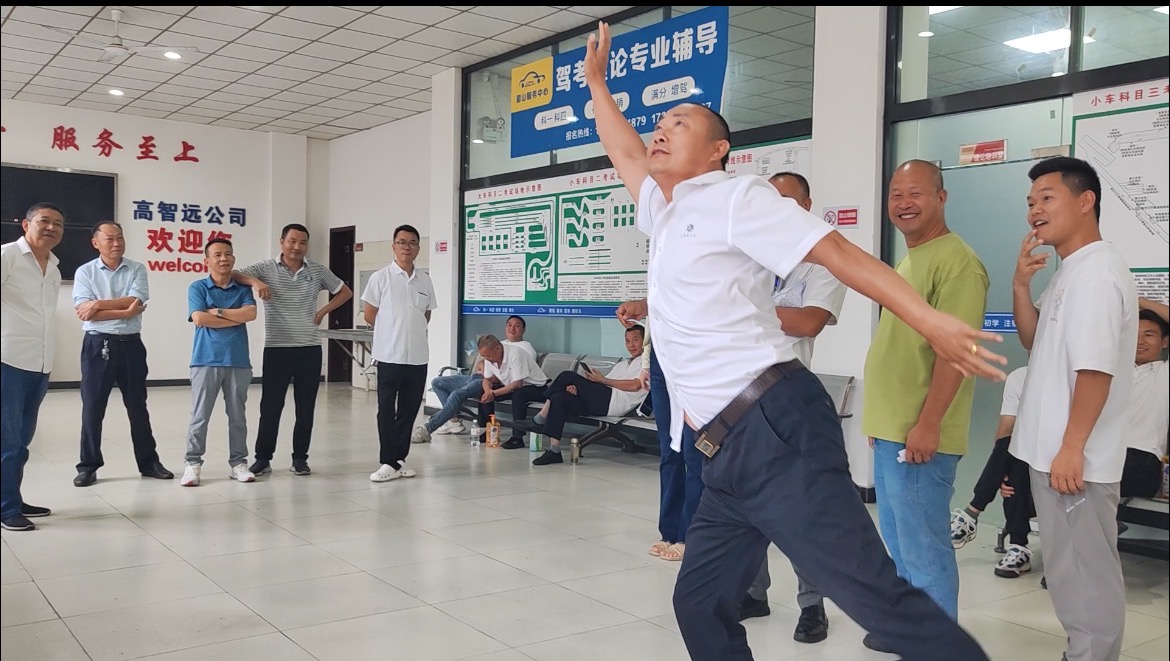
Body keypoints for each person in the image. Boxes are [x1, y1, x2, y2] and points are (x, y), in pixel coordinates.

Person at [583, 21, 1002, 661]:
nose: (659, 131)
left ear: (718, 151)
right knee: (700, 603)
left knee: (877, 600)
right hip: (723, 449)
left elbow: (836, 252)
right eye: (659, 123)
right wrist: (596, 84)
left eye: (679, 123)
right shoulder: (665, 209)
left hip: (773, 429)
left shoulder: (736, 198)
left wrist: (928, 318)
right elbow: (624, 150)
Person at [1009, 156, 1137, 661]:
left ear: (1086, 201)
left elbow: (1095, 370)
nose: (1034, 211)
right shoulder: (1073, 270)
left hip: (1074, 460)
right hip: (1055, 455)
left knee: (1087, 576)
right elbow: (1033, 340)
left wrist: (1072, 447)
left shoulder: (1096, 275)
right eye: (1030, 202)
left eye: (1047, 198)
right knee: (1068, 571)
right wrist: (1020, 286)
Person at [861, 159, 990, 648]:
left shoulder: (959, 263)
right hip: (893, 430)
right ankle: (912, 633)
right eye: (896, 194)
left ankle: (938, 649)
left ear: (941, 197)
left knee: (924, 549)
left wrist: (929, 424)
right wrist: (881, 421)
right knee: (899, 543)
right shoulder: (912, 258)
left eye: (915, 193)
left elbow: (956, 354)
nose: (903, 203)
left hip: (920, 435)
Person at [956, 298, 1170, 579]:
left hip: (1140, 461)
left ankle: (1068, 558)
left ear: (1165, 342)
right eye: (1135, 334)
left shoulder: (1164, 374)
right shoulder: (1111, 371)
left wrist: (1133, 299)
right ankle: (1006, 537)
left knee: (1059, 477)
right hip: (1095, 452)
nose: (1140, 341)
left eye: (1149, 335)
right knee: (1016, 453)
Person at [738, 171, 847, 647]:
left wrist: (742, 308)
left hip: (788, 401)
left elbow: (807, 322)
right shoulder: (747, 260)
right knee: (747, 505)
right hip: (740, 401)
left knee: (801, 509)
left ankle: (812, 605)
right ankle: (753, 593)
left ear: (805, 205)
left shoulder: (821, 261)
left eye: (786, 200)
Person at [233, 223, 352, 477]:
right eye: (292, 241)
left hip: (309, 347)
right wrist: (256, 282)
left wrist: (323, 311)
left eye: (302, 242)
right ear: (282, 242)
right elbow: (235, 274)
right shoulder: (266, 268)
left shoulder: (317, 270)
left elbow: (344, 292)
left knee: (305, 408)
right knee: (271, 407)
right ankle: (263, 458)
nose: (297, 247)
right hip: (277, 347)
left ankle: (300, 459)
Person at [72, 221, 174, 487]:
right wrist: (124, 312)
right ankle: (88, 466)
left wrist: (98, 304)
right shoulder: (85, 272)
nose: (116, 243)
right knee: (93, 408)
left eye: (120, 237)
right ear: (96, 243)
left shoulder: (137, 268)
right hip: (97, 345)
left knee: (138, 407)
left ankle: (149, 463)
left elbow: (135, 301)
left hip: (131, 345)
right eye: (109, 239)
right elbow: (86, 313)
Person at [614, 300, 704, 564]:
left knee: (693, 452)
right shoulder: (659, 272)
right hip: (659, 357)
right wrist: (646, 364)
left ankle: (690, 536)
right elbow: (655, 316)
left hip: (694, 355)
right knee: (669, 452)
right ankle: (670, 532)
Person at [1, 203, 64, 531]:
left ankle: (11, 496)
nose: (51, 227)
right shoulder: (7, 256)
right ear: (26, 224)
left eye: (58, 224)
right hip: (7, 360)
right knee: (7, 440)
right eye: (44, 221)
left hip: (39, 363)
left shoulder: (53, 267)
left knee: (22, 439)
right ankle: (6, 508)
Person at [180, 237, 258, 487]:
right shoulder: (198, 287)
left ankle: (238, 463)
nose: (224, 258)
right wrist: (235, 318)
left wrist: (219, 312)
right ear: (207, 261)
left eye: (228, 254)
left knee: (238, 417)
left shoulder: (242, 288)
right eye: (217, 255)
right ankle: (192, 464)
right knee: (200, 416)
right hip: (205, 359)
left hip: (238, 360)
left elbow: (251, 314)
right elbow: (199, 318)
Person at [363, 224, 436, 483]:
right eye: (402, 242)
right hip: (388, 356)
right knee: (386, 410)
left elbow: (426, 314)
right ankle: (387, 461)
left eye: (412, 242)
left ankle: (399, 460)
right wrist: (391, 331)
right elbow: (369, 314)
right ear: (393, 246)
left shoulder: (425, 280)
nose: (407, 247)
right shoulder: (380, 278)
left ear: (418, 248)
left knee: (408, 411)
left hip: (417, 357)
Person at [949, 366, 1034, 578]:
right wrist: (1000, 473)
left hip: (1064, 461)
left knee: (1014, 461)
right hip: (1029, 461)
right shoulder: (1019, 377)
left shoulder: (1070, 376)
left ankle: (972, 513)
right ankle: (1018, 548)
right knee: (1011, 466)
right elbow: (1005, 430)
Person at [530, 324, 648, 465]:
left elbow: (636, 385)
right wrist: (580, 390)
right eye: (627, 341)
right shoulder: (623, 364)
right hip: (601, 400)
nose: (631, 345)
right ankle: (554, 451)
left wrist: (602, 380)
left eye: (635, 340)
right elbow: (603, 385)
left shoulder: (648, 364)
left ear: (645, 341)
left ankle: (540, 418)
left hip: (614, 403)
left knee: (567, 376)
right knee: (559, 397)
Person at [413, 315, 535, 442]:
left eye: (516, 326)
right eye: (509, 325)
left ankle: (428, 427)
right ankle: (453, 420)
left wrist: (491, 373)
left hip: (491, 382)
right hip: (478, 377)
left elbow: (512, 376)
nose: (512, 328)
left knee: (457, 394)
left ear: (523, 329)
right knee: (437, 383)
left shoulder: (524, 349)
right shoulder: (500, 344)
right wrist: (485, 365)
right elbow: (482, 363)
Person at [474, 334, 549, 449]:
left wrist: (493, 394)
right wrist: (488, 391)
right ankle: (488, 429)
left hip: (537, 388)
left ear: (498, 348)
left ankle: (517, 438)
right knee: (483, 391)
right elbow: (487, 379)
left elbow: (518, 384)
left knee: (519, 394)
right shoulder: (489, 358)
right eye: (484, 356)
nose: (487, 359)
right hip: (512, 387)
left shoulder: (515, 354)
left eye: (488, 355)